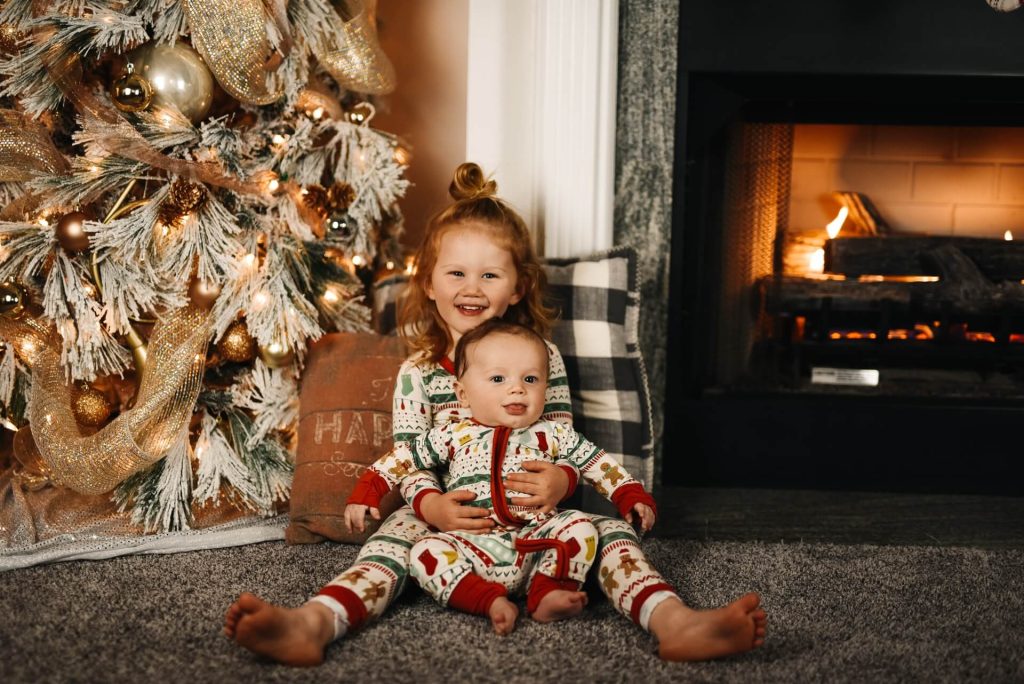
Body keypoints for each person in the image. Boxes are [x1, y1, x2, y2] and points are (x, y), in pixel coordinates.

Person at [224, 162, 767, 665]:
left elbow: (562, 437)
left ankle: (673, 621)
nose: (471, 288)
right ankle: (315, 623)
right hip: (453, 521)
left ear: (518, 288)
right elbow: (412, 456)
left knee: (608, 535)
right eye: (456, 273)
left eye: (490, 276)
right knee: (392, 536)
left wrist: (562, 479)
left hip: (542, 522)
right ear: (430, 283)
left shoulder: (541, 357)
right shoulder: (418, 370)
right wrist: (431, 505)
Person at [346, 319, 657, 635]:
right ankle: (487, 601)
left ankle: (549, 590)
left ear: (545, 390)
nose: (517, 388)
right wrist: (369, 489)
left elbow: (598, 463)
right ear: (463, 394)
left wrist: (629, 494)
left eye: (530, 379)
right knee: (425, 553)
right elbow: (404, 458)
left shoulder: (553, 434)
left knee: (579, 526)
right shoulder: (452, 435)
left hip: (537, 539)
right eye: (498, 378)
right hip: (473, 542)